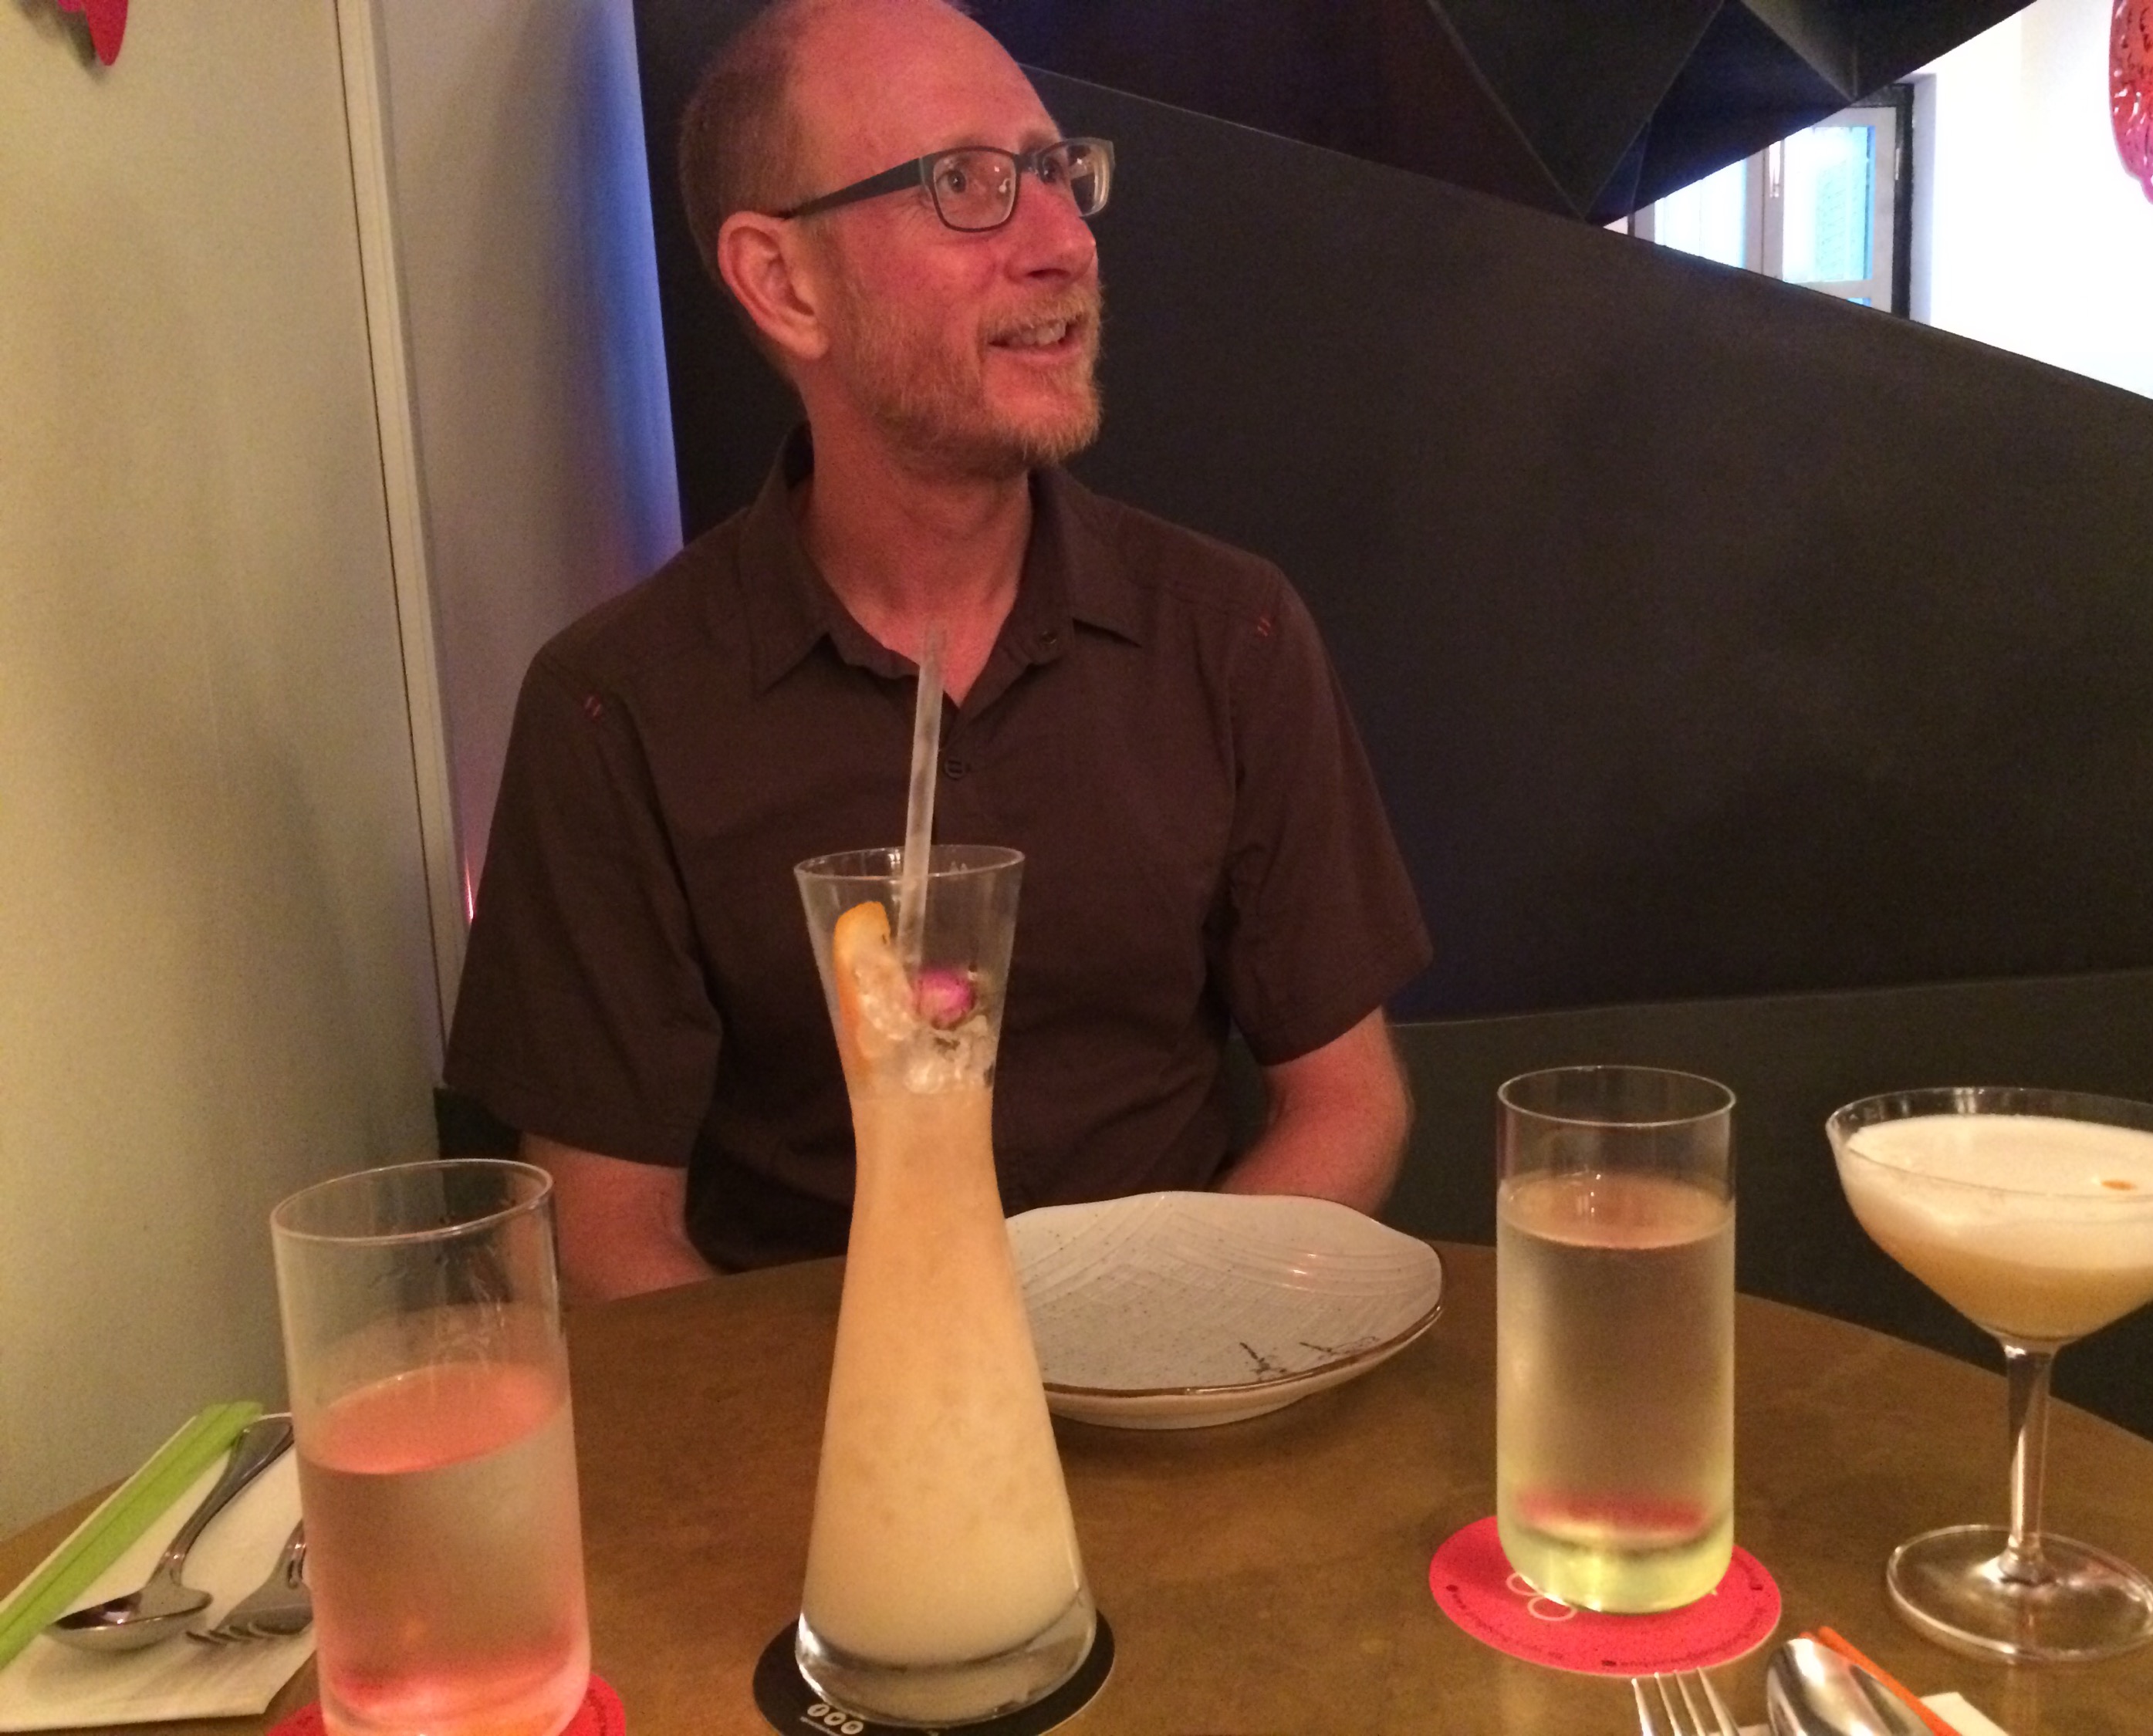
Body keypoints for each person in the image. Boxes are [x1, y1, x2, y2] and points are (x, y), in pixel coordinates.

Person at [444, 0, 1431, 1300]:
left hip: (1185, 1368)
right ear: (784, 282)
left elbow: (1350, 1103)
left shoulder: (1227, 633)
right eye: (965, 186)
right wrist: (882, 1403)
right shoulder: (616, 710)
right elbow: (606, 1228)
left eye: (1055, 171)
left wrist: (1156, 1335)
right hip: (816, 1401)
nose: (1064, 242)